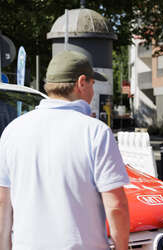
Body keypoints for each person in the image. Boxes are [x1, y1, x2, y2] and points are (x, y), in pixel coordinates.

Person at [0, 51, 130, 250]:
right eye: (93, 84)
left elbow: (3, 204)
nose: (93, 92)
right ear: (81, 83)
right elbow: (116, 206)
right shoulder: (95, 132)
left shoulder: (12, 132)